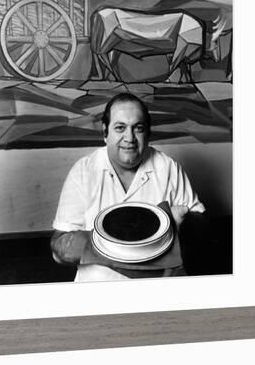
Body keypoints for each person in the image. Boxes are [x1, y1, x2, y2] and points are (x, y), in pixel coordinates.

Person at [51, 92, 205, 282]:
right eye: (120, 128)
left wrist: (170, 223)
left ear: (148, 134)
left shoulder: (168, 168)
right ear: (105, 133)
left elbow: (201, 229)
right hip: (99, 291)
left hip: (161, 290)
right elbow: (58, 248)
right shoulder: (83, 171)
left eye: (138, 128)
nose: (129, 138)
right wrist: (111, 246)